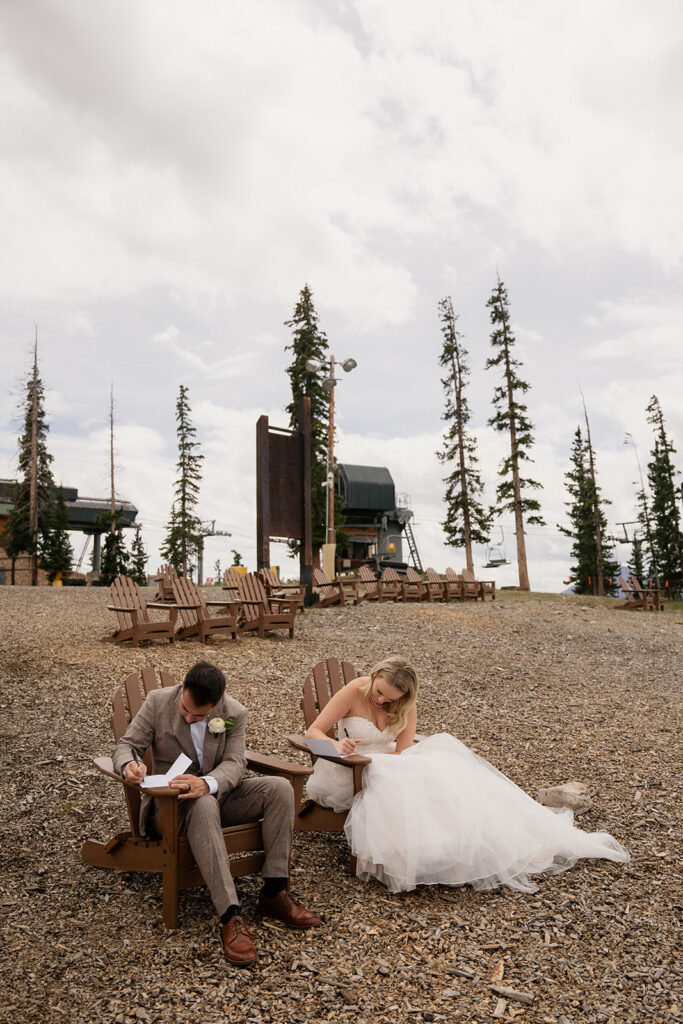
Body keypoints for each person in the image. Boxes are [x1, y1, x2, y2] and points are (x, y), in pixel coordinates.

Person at [305, 656, 629, 894]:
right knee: (415, 778)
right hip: (348, 765)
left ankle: (454, 848)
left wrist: (390, 760)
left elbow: (403, 750)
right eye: (379, 693)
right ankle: (415, 854)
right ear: (373, 676)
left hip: (390, 763)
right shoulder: (353, 691)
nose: (380, 700)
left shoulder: (404, 705)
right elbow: (314, 730)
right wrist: (337, 742)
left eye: (389, 699)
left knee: (443, 771)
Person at [113, 661, 321, 965]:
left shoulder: (233, 713)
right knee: (204, 802)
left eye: (198, 716)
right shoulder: (158, 701)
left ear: (216, 705)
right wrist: (128, 765)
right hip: (170, 808)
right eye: (185, 710)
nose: (188, 717)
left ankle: (274, 893)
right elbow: (127, 745)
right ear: (183, 686)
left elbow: (236, 763)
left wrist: (207, 783)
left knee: (280, 789)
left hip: (215, 795)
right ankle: (230, 915)